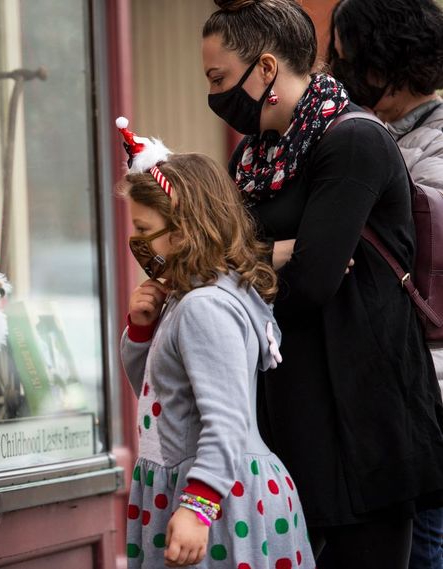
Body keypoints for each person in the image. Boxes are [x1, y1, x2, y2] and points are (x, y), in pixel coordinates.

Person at [201, 0, 443, 566]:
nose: (214, 95)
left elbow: (310, 281)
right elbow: (214, 262)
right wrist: (268, 256)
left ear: (264, 69)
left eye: (219, 78)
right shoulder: (255, 156)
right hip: (285, 411)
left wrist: (244, 267)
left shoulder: (352, 140)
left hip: (360, 415)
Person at [116, 117, 314, 568]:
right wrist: (143, 331)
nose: (137, 242)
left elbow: (224, 421)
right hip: (202, 493)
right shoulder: (185, 300)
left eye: (144, 228)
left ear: (184, 230)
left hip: (220, 503)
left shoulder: (204, 308)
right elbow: (160, 399)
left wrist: (198, 507)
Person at [327, 1, 443, 566]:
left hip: (424, 387)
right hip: (396, 384)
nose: (337, 71)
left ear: (387, 61)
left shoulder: (417, 145)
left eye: (347, 58)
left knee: (423, 545)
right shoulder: (381, 133)